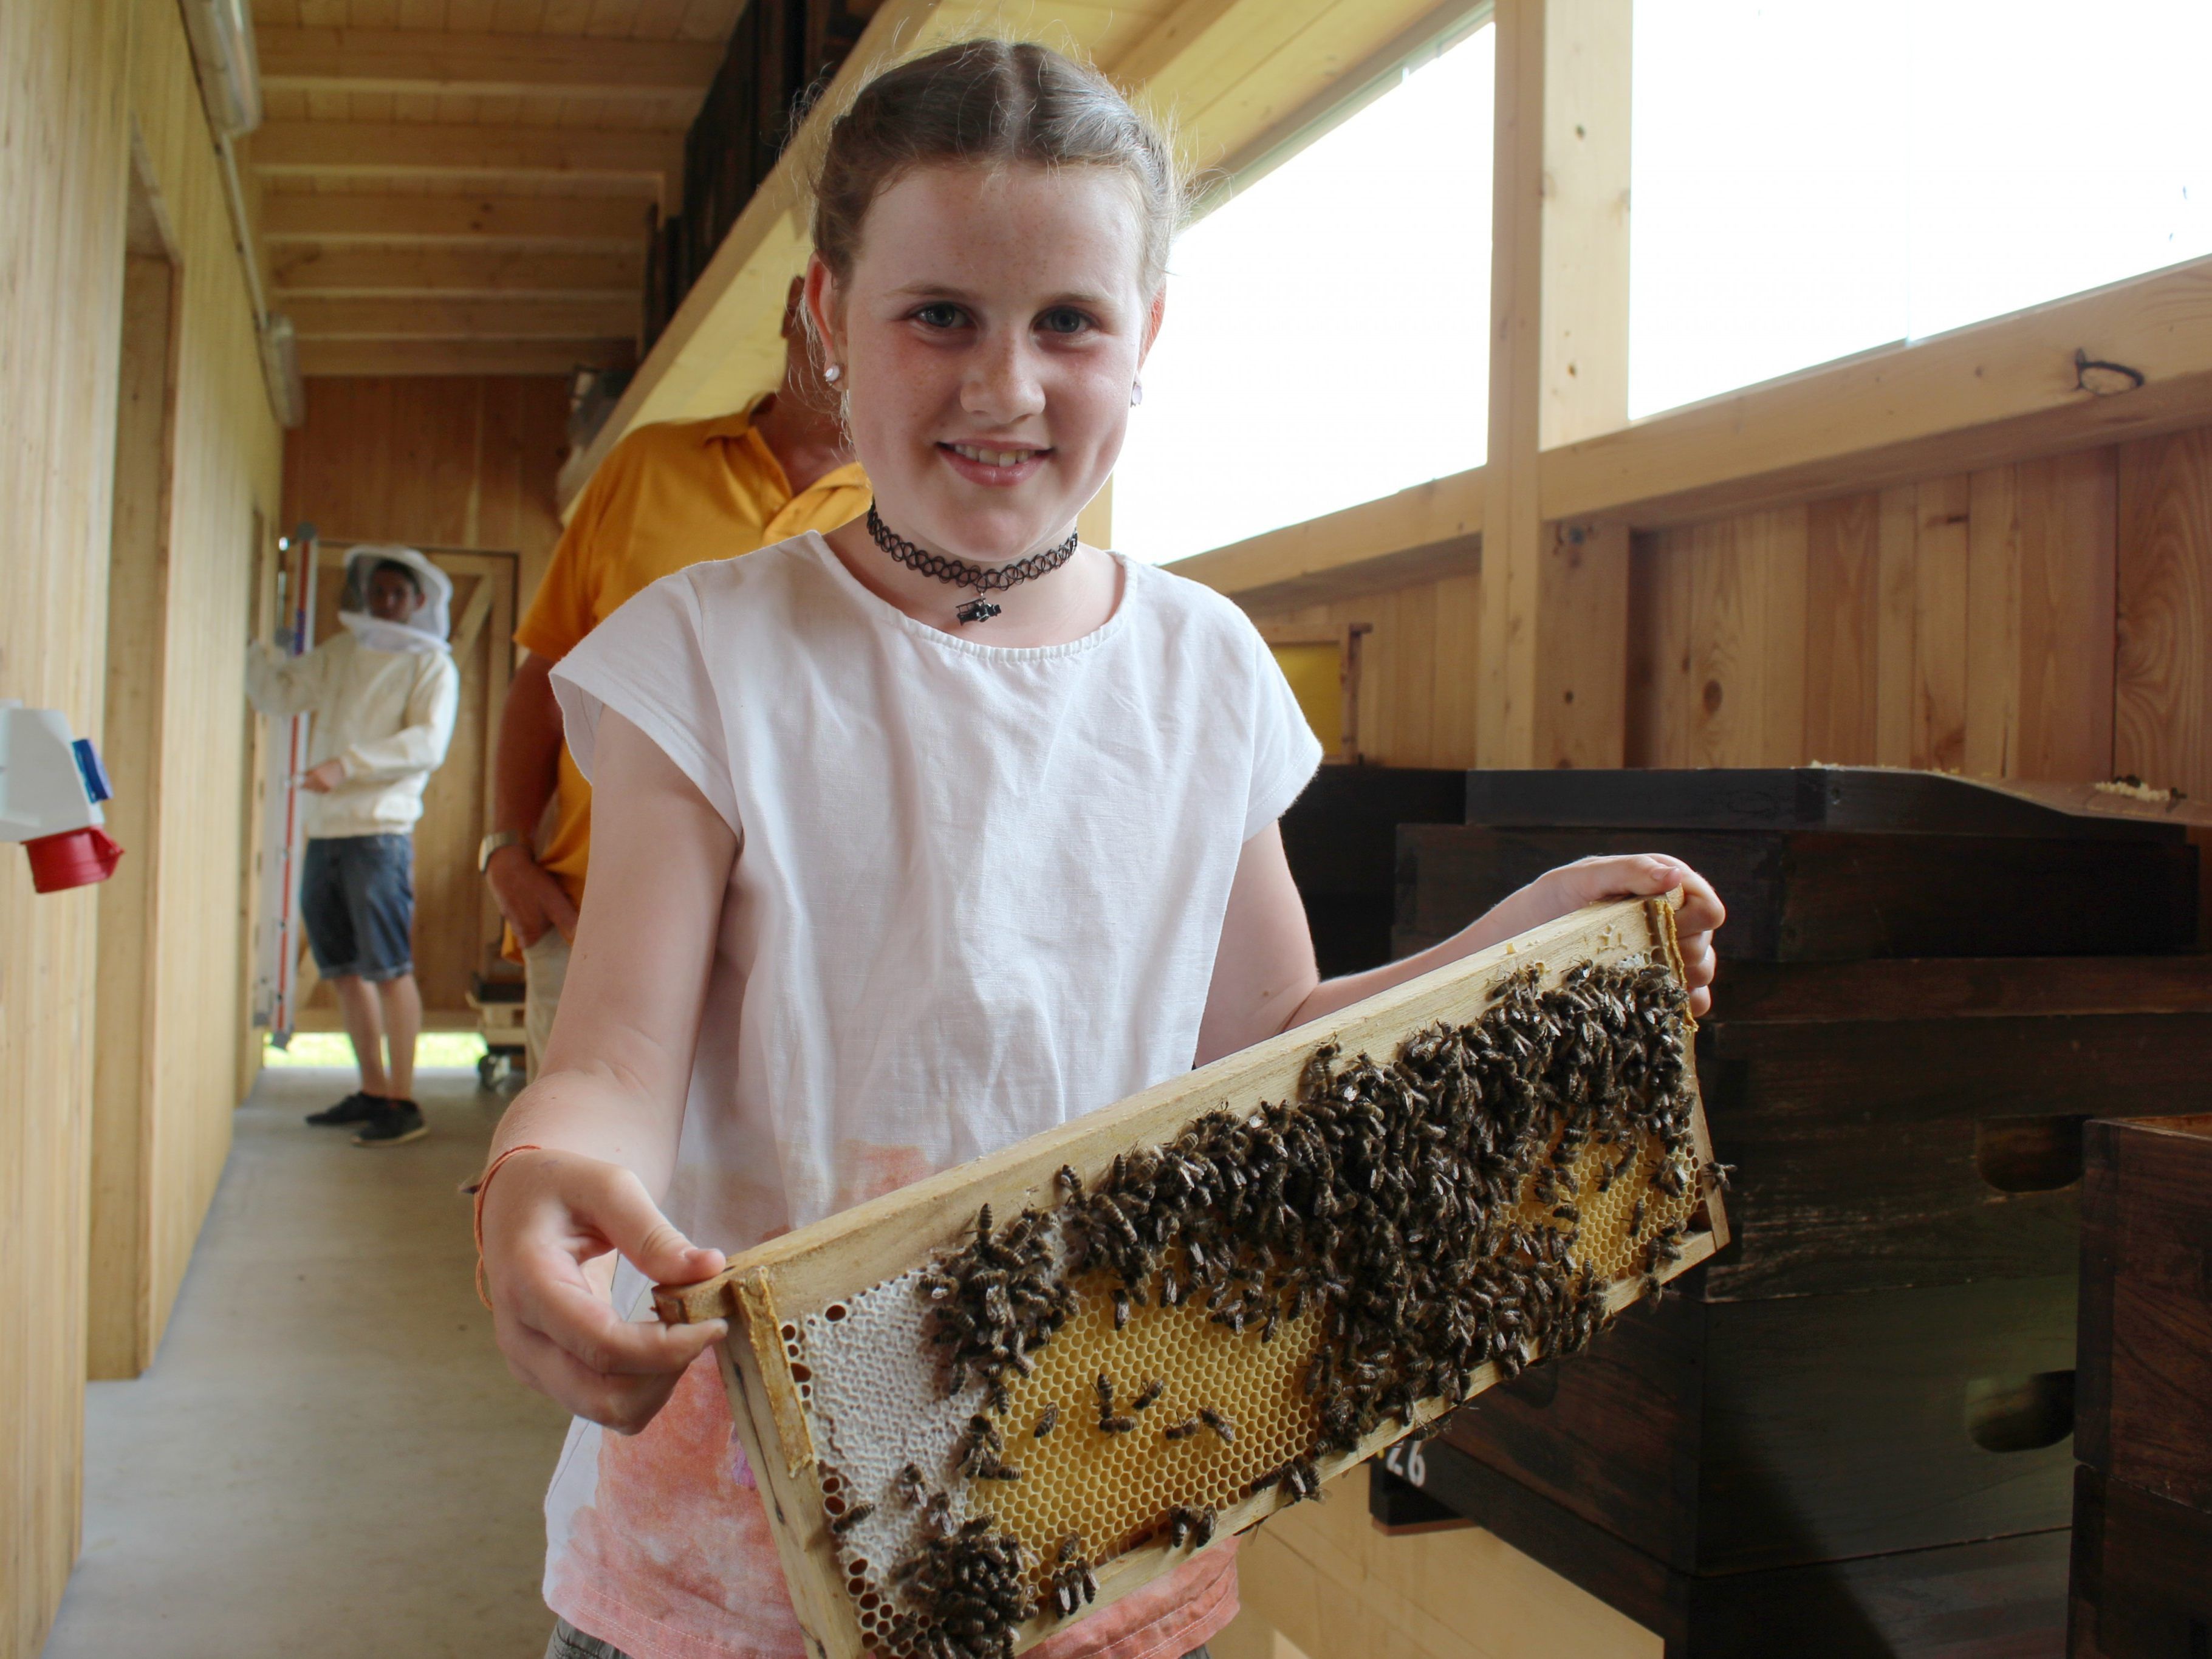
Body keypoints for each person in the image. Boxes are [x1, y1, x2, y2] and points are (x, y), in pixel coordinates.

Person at [474, 41, 1725, 1659]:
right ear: (828, 318)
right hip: (734, 1574)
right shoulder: (709, 653)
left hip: (1106, 1528)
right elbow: (619, 1052)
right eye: (940, 316)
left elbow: (1273, 1050)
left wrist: (1525, 946)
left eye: (1069, 321)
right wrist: (540, 1171)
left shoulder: (1205, 667)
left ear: (1146, 339)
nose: (1006, 387)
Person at [482, 279, 866, 1076]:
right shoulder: (646, 463)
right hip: (589, 916)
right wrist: (504, 848)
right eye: (838, 311)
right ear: (798, 300)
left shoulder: (914, 517)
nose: (847, 353)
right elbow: (548, 668)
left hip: (817, 953)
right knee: (584, 1184)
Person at [248, 545, 459, 1148]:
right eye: (378, 591)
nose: (384, 601)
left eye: (397, 593)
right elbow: (284, 694)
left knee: (388, 969)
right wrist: (254, 654)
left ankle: (404, 1099)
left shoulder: (433, 666)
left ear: (420, 601)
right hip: (325, 830)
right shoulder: (344, 651)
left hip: (379, 832)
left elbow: (426, 742)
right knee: (343, 970)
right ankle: (372, 1089)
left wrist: (347, 764)